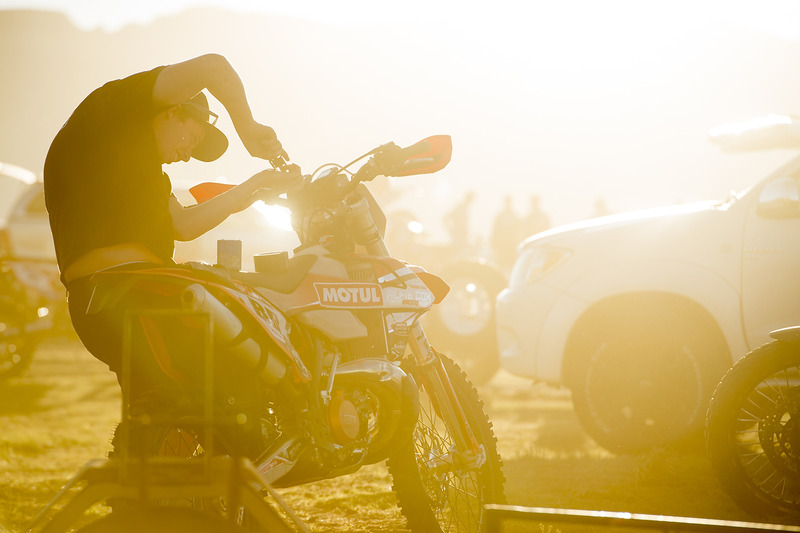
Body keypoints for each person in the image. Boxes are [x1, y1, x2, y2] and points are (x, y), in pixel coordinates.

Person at [43, 54, 299, 394]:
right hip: (126, 292)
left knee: (182, 407)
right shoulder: (109, 114)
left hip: (141, 293)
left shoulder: (151, 175)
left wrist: (254, 186)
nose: (189, 154)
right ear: (173, 110)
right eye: (192, 139)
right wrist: (248, 130)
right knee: (253, 375)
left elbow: (184, 225)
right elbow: (214, 68)